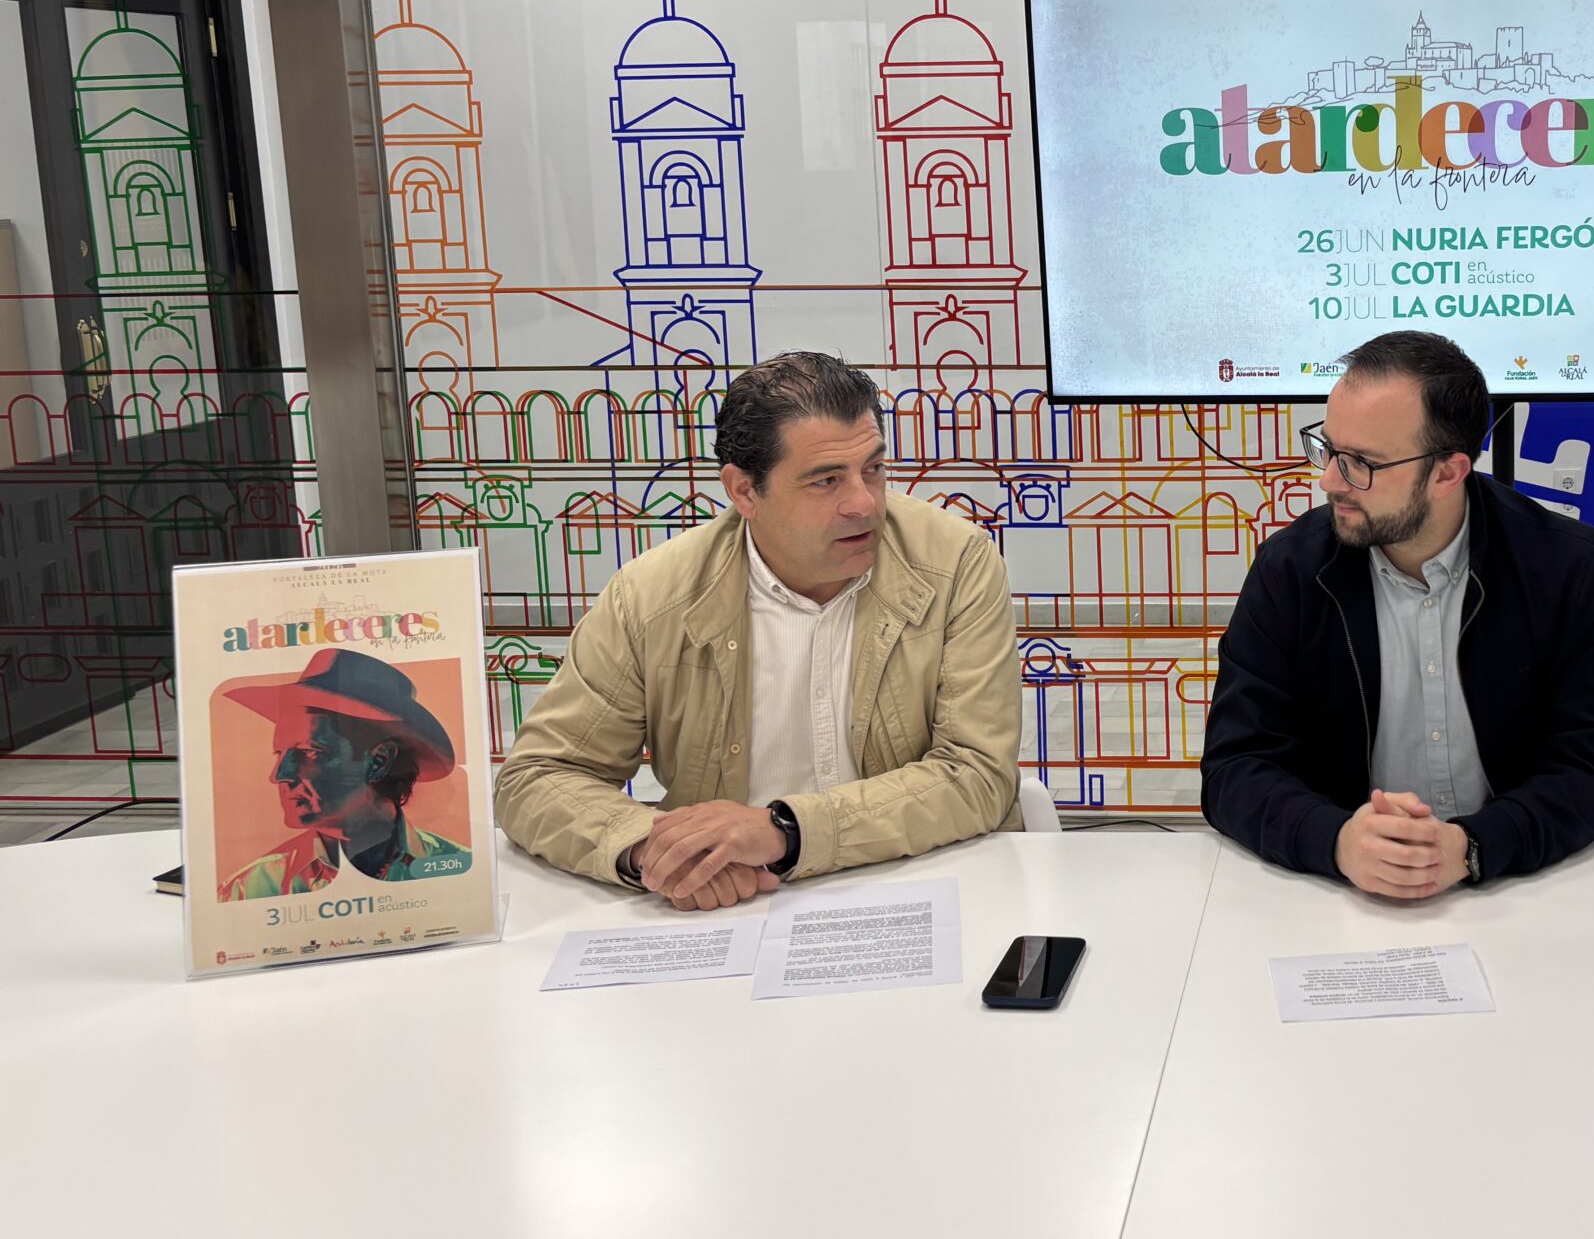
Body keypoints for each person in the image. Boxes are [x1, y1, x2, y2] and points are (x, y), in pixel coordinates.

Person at [496, 351, 1020, 909]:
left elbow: (978, 775)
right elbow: (539, 776)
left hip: (922, 885)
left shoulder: (955, 563)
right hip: (735, 904)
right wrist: (658, 851)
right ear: (744, 491)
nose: (864, 503)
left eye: (872, 469)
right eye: (826, 480)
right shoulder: (650, 597)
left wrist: (786, 832)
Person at [1200, 331, 1594, 898]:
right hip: (1336, 897)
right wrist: (1337, 840)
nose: (1328, 479)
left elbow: (1592, 774)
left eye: (1361, 462)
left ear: (1448, 473)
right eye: (1328, 449)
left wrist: (1472, 846)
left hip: (1518, 891)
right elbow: (1235, 766)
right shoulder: (1291, 572)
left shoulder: (1568, 569)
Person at [219, 649, 470, 899]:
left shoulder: (460, 869)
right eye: (279, 753)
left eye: (309, 752)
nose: (279, 775)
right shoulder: (248, 890)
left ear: (379, 761)